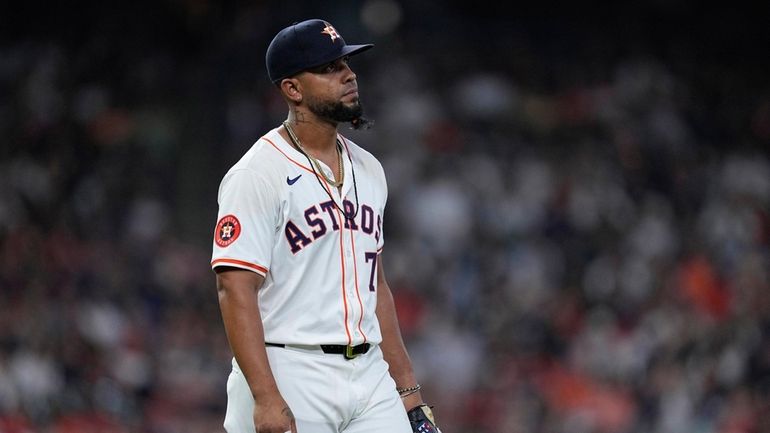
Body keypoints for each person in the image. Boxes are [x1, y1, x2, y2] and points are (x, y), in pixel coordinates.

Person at [211, 19, 440, 433]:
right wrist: (265, 397)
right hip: (289, 364)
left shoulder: (369, 169)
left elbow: (377, 287)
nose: (348, 74)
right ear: (292, 89)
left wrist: (408, 390)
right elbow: (233, 287)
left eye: (346, 63)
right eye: (330, 67)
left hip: (368, 371)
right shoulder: (258, 173)